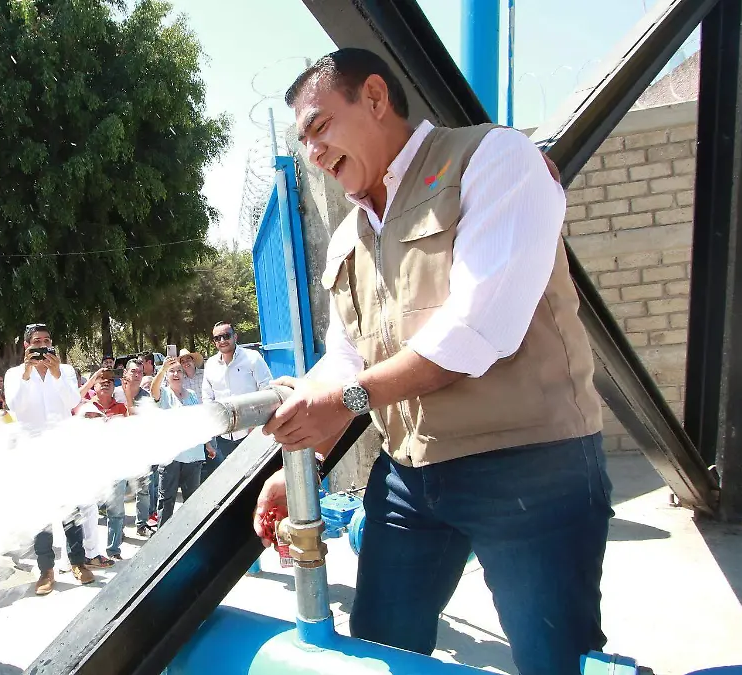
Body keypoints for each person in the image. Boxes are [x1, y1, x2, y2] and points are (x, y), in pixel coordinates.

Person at [254, 49, 608, 675]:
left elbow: (474, 333)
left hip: (530, 469)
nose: (312, 152)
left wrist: (344, 402)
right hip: (411, 479)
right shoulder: (350, 236)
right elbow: (343, 359)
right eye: (304, 140)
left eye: (318, 127)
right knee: (379, 651)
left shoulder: (494, 162)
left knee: (556, 659)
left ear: (373, 96)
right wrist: (297, 459)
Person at [3, 322, 95, 594]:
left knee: (71, 511)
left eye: (46, 340)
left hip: (63, 451)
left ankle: (78, 562)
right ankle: (46, 569)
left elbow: (70, 402)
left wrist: (55, 374)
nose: (43, 346)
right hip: (33, 455)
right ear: (26, 346)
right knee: (41, 515)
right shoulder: (14, 374)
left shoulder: (65, 371)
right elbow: (15, 406)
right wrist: (28, 372)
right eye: (37, 341)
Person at [201, 321, 272, 480]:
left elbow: (267, 389)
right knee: (234, 480)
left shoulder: (252, 358)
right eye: (217, 338)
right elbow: (207, 397)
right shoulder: (211, 364)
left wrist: (256, 423)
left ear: (235, 336)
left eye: (226, 336)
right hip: (225, 435)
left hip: (252, 432)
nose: (222, 341)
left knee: (258, 476)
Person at [150, 357, 214, 526]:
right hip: (171, 457)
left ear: (184, 374)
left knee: (192, 501)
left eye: (179, 370)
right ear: (166, 375)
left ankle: (191, 535)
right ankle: (162, 541)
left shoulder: (192, 395)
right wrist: (162, 369)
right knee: (167, 501)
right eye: (172, 371)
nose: (176, 374)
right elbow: (152, 390)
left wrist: (207, 444)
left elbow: (200, 422)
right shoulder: (163, 393)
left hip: (193, 456)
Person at [79, 373, 129, 562]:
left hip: (116, 464)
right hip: (91, 467)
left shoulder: (121, 407)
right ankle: (89, 553)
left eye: (110, 382)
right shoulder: (85, 407)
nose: (106, 384)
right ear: (95, 386)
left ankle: (113, 549)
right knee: (88, 511)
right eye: (102, 382)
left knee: (116, 510)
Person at [116, 359, 159, 537]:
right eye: (133, 371)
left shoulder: (146, 397)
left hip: (140, 450)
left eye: (140, 372)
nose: (137, 375)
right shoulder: (115, 393)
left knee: (143, 491)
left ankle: (141, 524)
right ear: (125, 373)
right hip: (118, 450)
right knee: (118, 494)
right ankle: (118, 531)